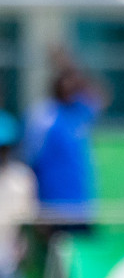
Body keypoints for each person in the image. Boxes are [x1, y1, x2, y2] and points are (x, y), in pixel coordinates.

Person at [24, 56, 109, 234]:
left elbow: (101, 96)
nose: (70, 87)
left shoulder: (80, 112)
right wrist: (35, 206)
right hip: (52, 208)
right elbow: (30, 161)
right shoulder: (43, 116)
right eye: (66, 82)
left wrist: (69, 64)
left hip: (81, 206)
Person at [0, 112, 37, 278]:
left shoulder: (20, 178)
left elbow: (26, 221)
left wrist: (22, 247)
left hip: (10, 248)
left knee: (9, 275)